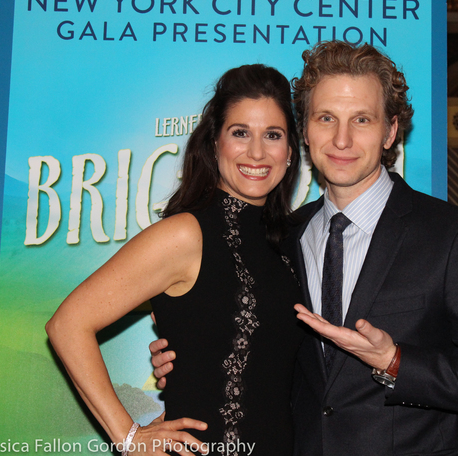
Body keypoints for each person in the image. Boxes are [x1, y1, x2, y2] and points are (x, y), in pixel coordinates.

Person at [152, 41, 458, 456]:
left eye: (362, 120)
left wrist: (395, 362)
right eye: (326, 118)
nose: (341, 139)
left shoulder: (449, 236)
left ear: (390, 131)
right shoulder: (282, 237)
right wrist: (197, 355)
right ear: (306, 129)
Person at [47, 64, 302, 456]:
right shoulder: (185, 233)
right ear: (215, 143)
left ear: (290, 151)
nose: (256, 152)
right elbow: (68, 324)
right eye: (239, 133)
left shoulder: (292, 241)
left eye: (273, 135)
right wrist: (128, 437)